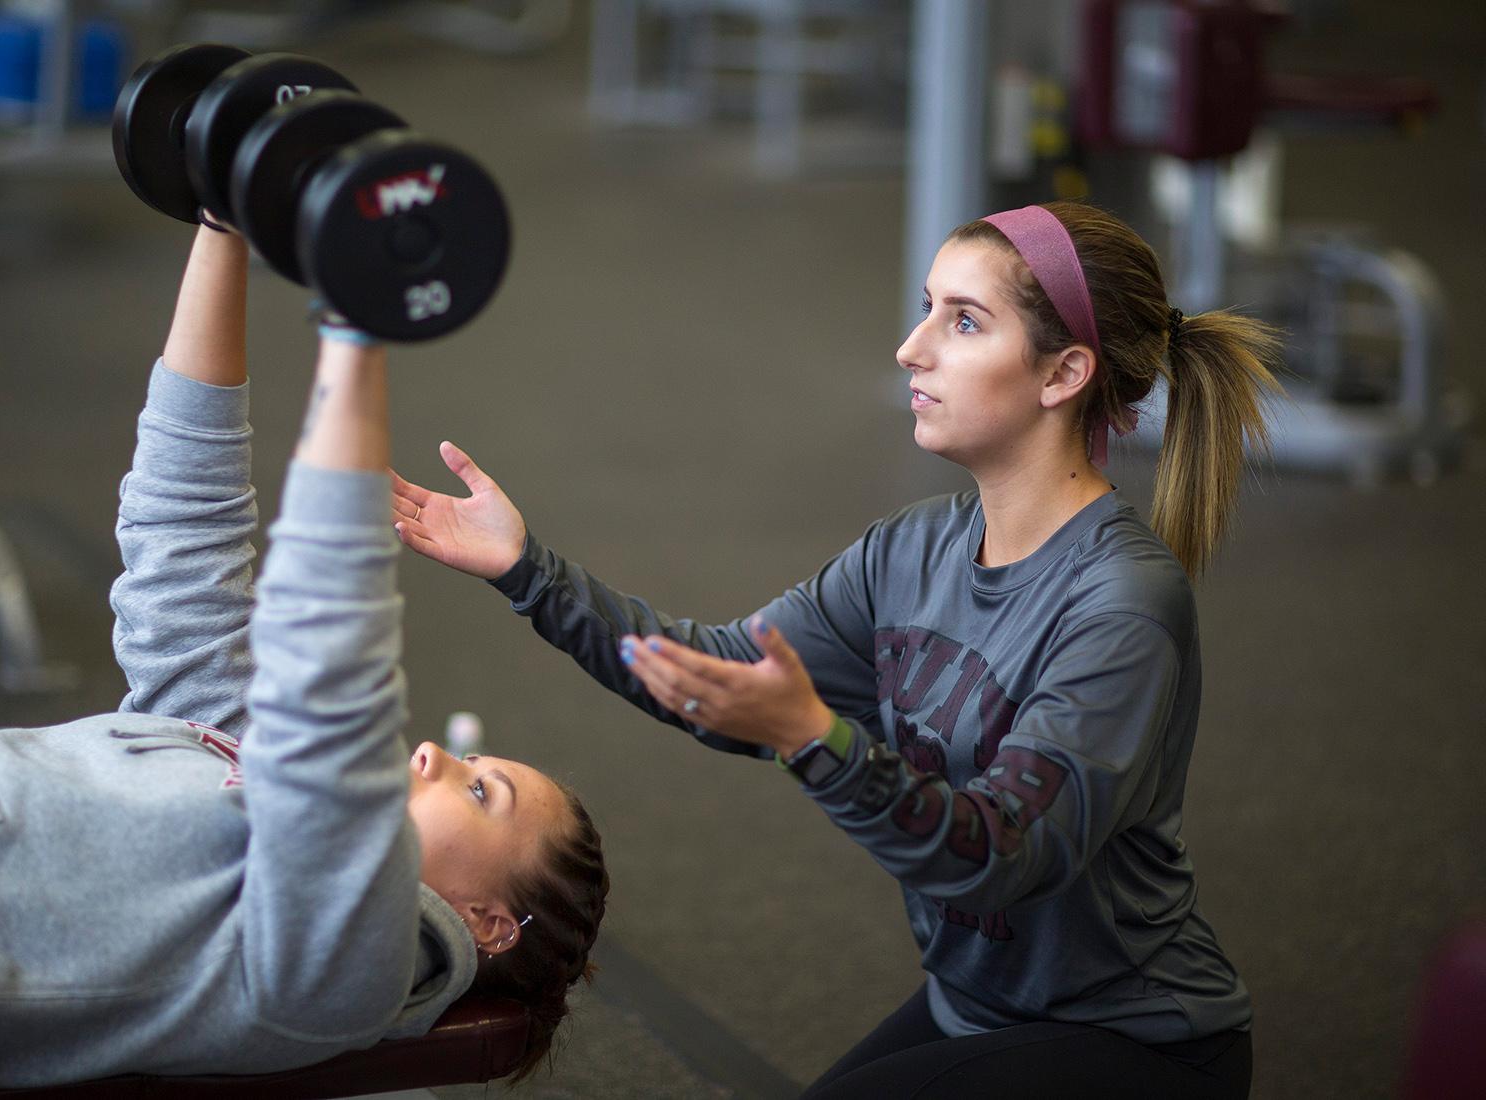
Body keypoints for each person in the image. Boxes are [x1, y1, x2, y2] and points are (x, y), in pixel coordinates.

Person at [390, 201, 1279, 1098]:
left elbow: (1004, 853)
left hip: (1134, 1038)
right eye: (928, 306)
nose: (912, 347)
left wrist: (817, 739)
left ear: (1064, 373)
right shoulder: (910, 551)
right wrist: (525, 570)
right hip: (976, 1004)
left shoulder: (1122, 602)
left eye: (963, 321)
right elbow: (722, 675)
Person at [0, 222, 607, 1088]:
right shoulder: (241, 760)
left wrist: (356, 325)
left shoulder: (338, 972)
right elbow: (183, 529)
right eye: (473, 764)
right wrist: (221, 222)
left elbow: (329, 662)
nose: (433, 754)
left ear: (488, 923)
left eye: (479, 790)